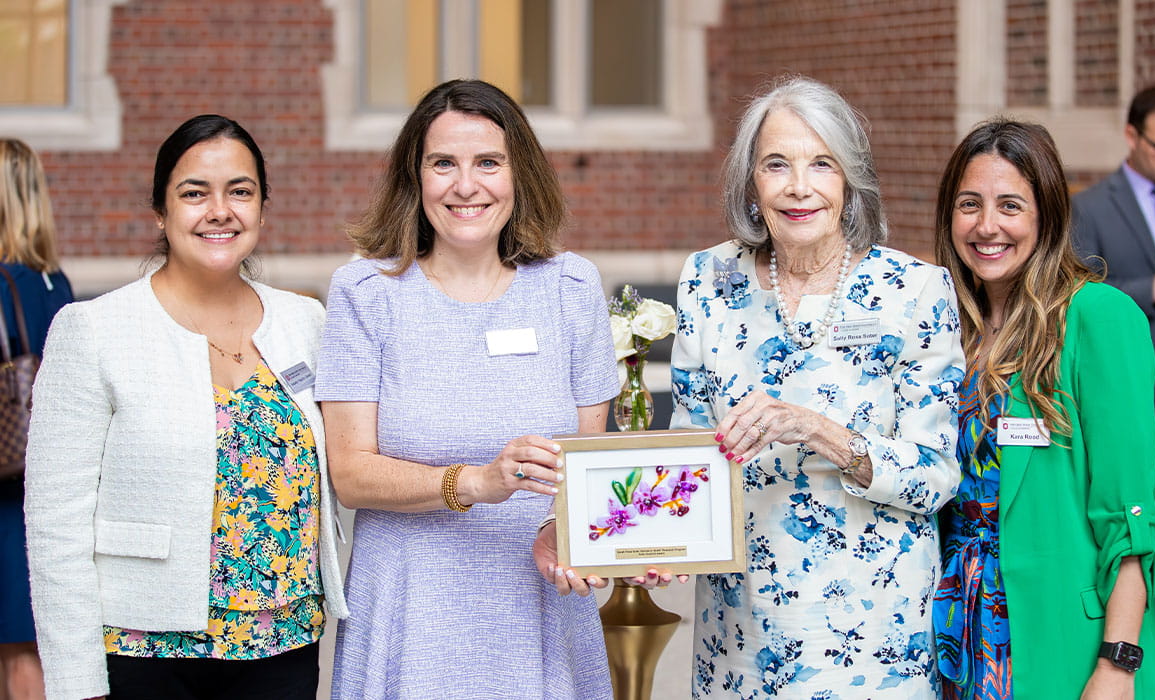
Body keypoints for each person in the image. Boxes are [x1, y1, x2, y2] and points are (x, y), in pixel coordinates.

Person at [24, 115, 348, 699]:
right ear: (161, 211)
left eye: (239, 191)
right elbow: (55, 525)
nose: (219, 210)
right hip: (144, 648)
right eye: (194, 193)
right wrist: (75, 683)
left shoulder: (306, 323)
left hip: (284, 642)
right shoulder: (94, 330)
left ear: (262, 208)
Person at [316, 79, 619, 699]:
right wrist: (477, 482)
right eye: (443, 164)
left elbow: (592, 469)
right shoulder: (365, 294)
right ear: (415, 178)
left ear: (519, 173)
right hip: (409, 614)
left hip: (539, 612)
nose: (465, 185)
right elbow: (349, 474)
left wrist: (580, 536)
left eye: (488, 162)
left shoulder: (571, 288)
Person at [667, 76, 964, 697]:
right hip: (738, 632)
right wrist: (658, 542)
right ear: (751, 182)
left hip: (874, 634)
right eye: (777, 164)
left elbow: (934, 476)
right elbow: (686, 450)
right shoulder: (706, 280)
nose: (799, 187)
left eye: (821, 164)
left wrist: (817, 429)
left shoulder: (914, 292)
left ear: (849, 179)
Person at [932, 118, 1155, 697]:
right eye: (970, 204)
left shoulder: (1097, 317)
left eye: (1010, 206)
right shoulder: (944, 327)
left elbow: (1130, 517)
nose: (987, 226)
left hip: (1067, 635)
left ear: (1046, 215)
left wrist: (1117, 663)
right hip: (956, 628)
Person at [1071, 85, 1155, 683]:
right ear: (1132, 137)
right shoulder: (1094, 207)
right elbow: (1079, 297)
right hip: (1143, 383)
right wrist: (1154, 287)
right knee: (1141, 511)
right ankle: (1149, 634)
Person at [0, 138, 73, 700]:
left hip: (5, 488)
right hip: (42, 475)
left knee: (17, 649)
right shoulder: (56, 282)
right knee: (32, 640)